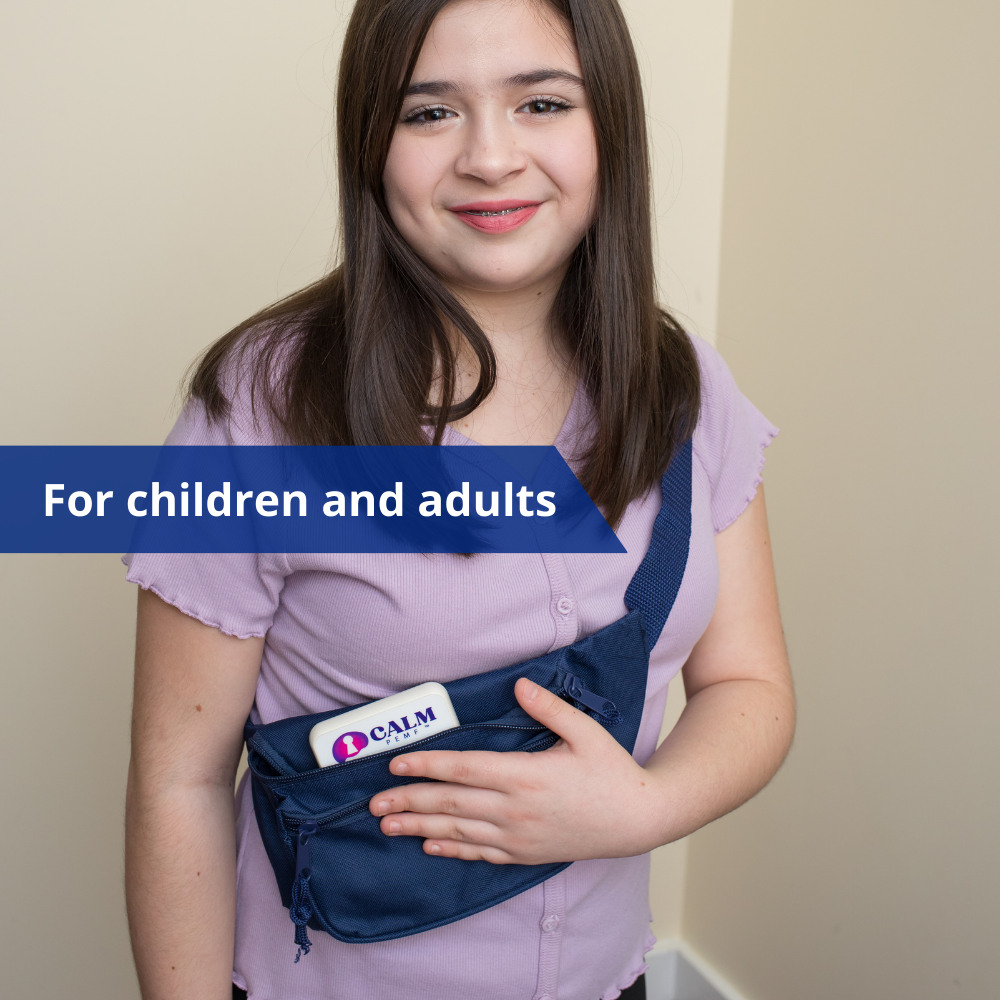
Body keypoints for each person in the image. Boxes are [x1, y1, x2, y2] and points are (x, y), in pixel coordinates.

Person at [123, 0, 795, 997]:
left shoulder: (683, 383)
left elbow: (750, 686)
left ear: (607, 121)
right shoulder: (258, 410)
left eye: (541, 102)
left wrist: (641, 808)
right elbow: (176, 784)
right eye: (428, 113)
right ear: (371, 143)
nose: (489, 156)